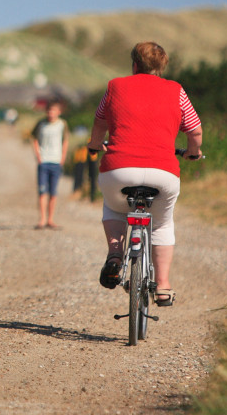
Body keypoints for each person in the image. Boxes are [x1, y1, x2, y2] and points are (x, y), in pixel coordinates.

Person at [87, 41, 203, 307]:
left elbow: (99, 123)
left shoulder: (114, 86)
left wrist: (95, 145)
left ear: (134, 64)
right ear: (161, 67)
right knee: (161, 223)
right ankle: (163, 286)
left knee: (114, 208)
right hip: (163, 172)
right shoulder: (176, 91)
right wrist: (193, 152)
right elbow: (194, 131)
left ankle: (115, 255)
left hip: (119, 170)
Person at [31, 100, 69, 229]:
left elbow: (65, 141)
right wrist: (38, 155)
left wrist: (63, 157)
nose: (51, 113)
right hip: (44, 160)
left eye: (53, 110)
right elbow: (34, 138)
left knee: (53, 192)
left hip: (56, 160)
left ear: (59, 112)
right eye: (49, 110)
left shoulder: (62, 124)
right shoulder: (41, 124)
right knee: (42, 191)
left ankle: (50, 219)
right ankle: (42, 219)